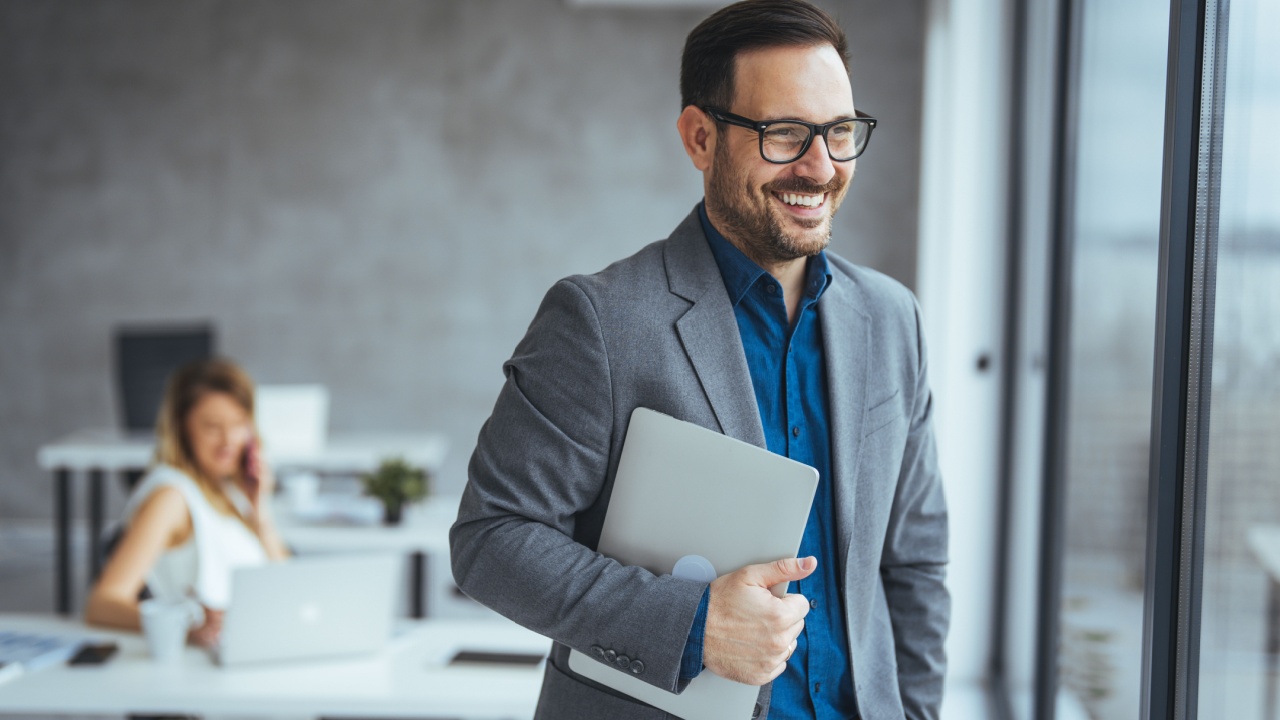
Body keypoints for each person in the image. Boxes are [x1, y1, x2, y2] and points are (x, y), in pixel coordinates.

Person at [450, 1, 949, 718]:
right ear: (700, 138)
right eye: (785, 133)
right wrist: (693, 626)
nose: (821, 166)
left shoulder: (894, 319)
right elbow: (492, 540)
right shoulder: (598, 321)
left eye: (840, 131)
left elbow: (914, 563)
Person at [85, 358, 289, 647]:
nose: (228, 440)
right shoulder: (171, 496)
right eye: (212, 427)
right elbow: (102, 604)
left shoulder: (231, 490)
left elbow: (288, 587)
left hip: (259, 644)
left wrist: (261, 511)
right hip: (208, 659)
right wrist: (187, 627)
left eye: (238, 424)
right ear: (182, 429)